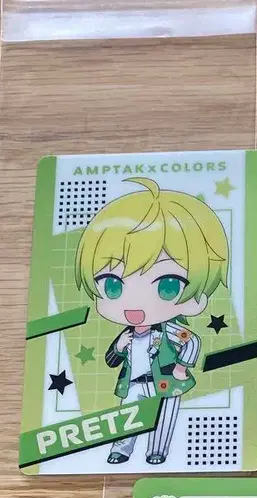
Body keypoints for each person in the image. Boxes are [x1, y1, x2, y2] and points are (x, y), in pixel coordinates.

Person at [75, 177, 227, 465]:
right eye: (113, 286)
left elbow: (193, 341)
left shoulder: (171, 329)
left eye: (167, 285)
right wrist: (119, 345)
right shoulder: (127, 333)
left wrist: (182, 367)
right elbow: (112, 359)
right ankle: (121, 449)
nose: (136, 304)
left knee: (164, 417)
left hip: (166, 381)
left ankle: (157, 451)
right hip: (133, 383)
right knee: (128, 416)